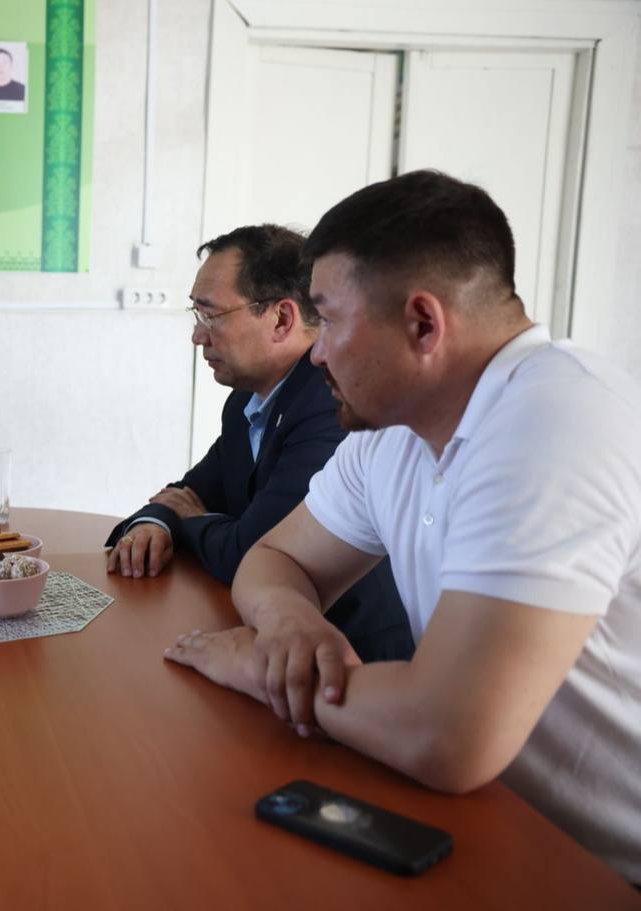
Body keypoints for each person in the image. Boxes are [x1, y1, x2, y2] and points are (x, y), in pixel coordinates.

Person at [163, 171, 641, 885]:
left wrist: (257, 665)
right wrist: (291, 625)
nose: (317, 352)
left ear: (422, 323)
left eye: (330, 320)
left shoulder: (556, 422)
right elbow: (276, 559)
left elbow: (448, 733)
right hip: (495, 826)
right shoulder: (392, 434)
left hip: (607, 868)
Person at [106, 225, 411, 662]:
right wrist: (154, 523)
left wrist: (192, 518)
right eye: (196, 315)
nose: (197, 336)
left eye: (210, 316)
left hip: (355, 659)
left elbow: (249, 554)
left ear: (281, 319)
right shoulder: (245, 403)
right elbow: (186, 491)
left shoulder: (330, 406)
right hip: (271, 643)